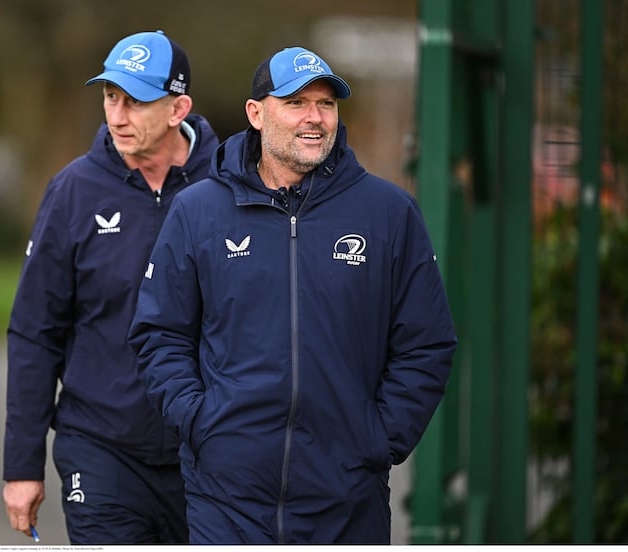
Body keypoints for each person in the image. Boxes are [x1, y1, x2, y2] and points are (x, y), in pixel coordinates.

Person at [127, 46, 458, 544]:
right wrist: (200, 421)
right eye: (296, 102)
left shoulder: (389, 213)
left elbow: (426, 343)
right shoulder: (198, 212)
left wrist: (378, 437)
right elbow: (160, 333)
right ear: (256, 114)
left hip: (347, 498)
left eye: (326, 104)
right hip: (227, 496)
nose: (315, 118)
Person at [2, 30, 219, 544]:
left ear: (177, 107)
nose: (116, 116)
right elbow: (34, 332)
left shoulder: (229, 184)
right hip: (100, 447)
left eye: (136, 101)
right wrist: (22, 465)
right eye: (109, 97)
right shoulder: (73, 191)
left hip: (208, 452)